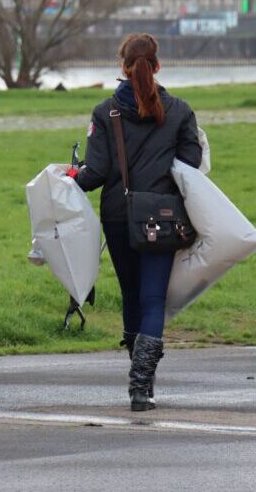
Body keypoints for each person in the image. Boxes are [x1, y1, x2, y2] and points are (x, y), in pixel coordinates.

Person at [71, 33, 201, 411]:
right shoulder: (179, 111)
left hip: (118, 215)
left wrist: (72, 176)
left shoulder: (105, 112)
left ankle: (140, 377)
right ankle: (141, 387)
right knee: (152, 300)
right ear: (157, 66)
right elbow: (191, 168)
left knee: (131, 295)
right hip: (163, 218)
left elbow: (94, 173)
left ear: (122, 67)